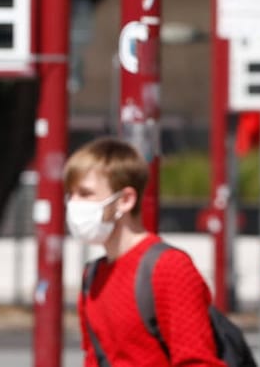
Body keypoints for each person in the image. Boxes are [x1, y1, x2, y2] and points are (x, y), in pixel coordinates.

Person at [67, 137, 225, 367]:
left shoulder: (169, 268)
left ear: (125, 200)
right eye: (70, 194)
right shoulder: (92, 275)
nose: (73, 204)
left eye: (85, 194)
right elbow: (93, 357)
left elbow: (198, 361)